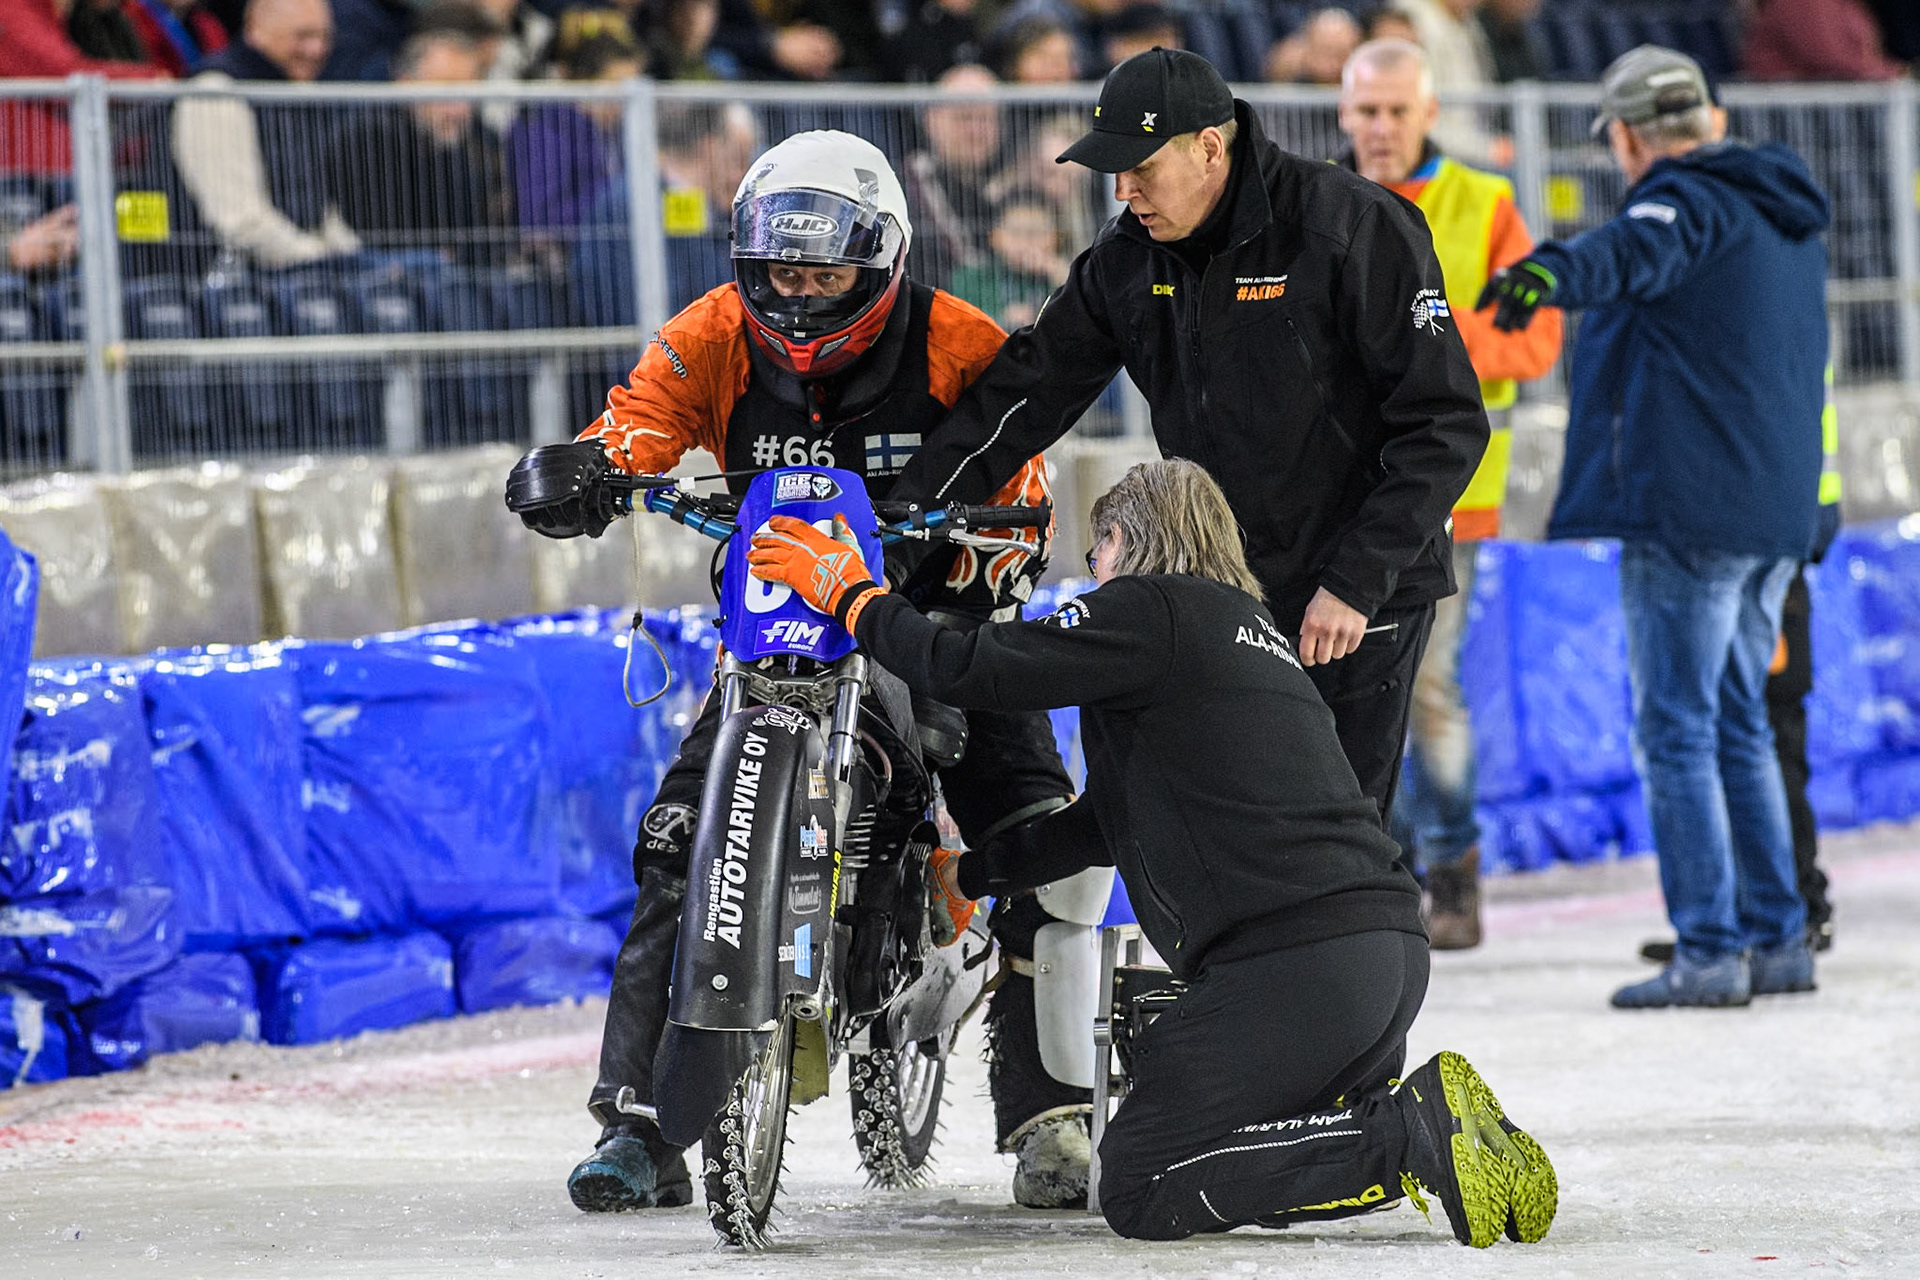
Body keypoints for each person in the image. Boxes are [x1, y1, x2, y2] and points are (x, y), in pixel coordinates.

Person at [514, 131, 1107, 1213]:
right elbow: (640, 419)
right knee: (672, 838)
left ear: (877, 261)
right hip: (781, 632)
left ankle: (1053, 1113)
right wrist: (592, 472)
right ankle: (643, 1123)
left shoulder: (955, 337)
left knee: (1038, 833)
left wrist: (995, 537)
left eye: (824, 271)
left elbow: (1027, 467)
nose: (799, 292)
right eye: (781, 269)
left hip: (937, 621)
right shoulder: (713, 333)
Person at [744, 457, 1557, 1246]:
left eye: (1096, 552)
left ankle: (1408, 1134)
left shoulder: (1150, 611)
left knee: (1140, 1180)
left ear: (1129, 540)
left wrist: (849, 595)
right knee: (1234, 1171)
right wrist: (972, 875)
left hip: (1298, 966)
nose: (1090, 573)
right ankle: (1431, 1140)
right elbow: (1105, 823)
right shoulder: (1245, 639)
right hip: (1377, 958)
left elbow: (972, 666)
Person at [888, 47, 1490, 835]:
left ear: (1210, 146)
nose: (1123, 190)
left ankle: (1355, 955)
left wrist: (1357, 581)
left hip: (1353, 596)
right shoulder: (1126, 256)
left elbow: (1445, 423)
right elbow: (1024, 397)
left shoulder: (1349, 225)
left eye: (1140, 167)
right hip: (1220, 587)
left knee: (1332, 835)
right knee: (1222, 824)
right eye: (1112, 171)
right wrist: (897, 511)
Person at [1477, 45, 1830, 1008]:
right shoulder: (1779, 212)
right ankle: (1779, 937)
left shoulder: (1685, 200)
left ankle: (1711, 949)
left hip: (1692, 515)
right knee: (1737, 725)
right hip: (1773, 515)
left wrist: (1547, 269)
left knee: (1677, 732)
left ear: (1628, 138)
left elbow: (1632, 248)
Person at [1338, 37, 1562, 948]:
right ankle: (1379, 875)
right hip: (1343, 493)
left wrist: (1424, 335)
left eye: (1398, 110)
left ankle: (1452, 871)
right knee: (1359, 688)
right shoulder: (1318, 200)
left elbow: (1534, 342)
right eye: (1367, 111)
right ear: (1345, 115)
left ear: (1429, 113)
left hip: (1451, 499)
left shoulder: (1487, 203)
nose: (1382, 127)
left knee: (1426, 689)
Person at [170, 0, 361, 269]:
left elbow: (317, 207)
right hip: (223, 281)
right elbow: (239, 220)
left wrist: (358, 260)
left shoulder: (293, 89)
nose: (317, 49)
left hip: (297, 271)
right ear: (256, 30)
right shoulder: (216, 91)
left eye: (325, 37)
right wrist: (322, 260)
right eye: (303, 36)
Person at [321, 29, 516, 264]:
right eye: (448, 91)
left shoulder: (474, 145)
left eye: (468, 93)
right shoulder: (365, 141)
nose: (460, 110)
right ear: (405, 85)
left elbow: (483, 239)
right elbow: (378, 238)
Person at [1744, 0, 1906, 81]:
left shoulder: (1844, 4)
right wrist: (1893, 72)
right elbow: (1827, 59)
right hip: (1791, 118)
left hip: (1830, 114)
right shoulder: (1804, 3)